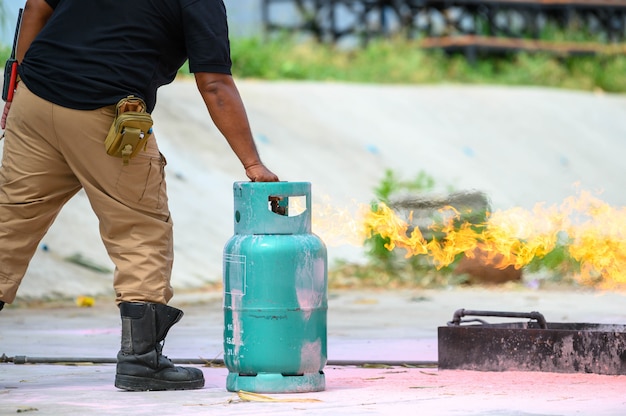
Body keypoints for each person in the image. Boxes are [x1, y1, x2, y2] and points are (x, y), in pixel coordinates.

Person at [0, 0, 279, 391]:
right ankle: (140, 361)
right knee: (139, 228)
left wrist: (16, 86)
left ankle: (142, 359)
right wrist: (253, 164)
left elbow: (35, 7)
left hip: (34, 100)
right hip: (105, 113)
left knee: (9, 224)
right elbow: (213, 83)